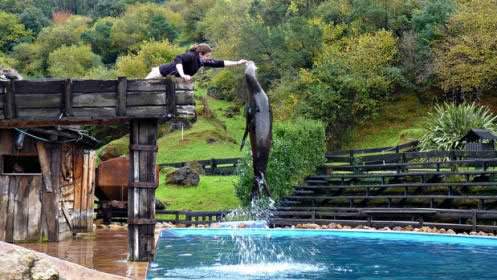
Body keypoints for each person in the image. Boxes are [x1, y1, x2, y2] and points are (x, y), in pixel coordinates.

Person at [145, 43, 247, 80]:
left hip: (168, 79)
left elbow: (219, 63)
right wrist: (183, 75)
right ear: (200, 53)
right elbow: (178, 59)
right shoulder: (191, 56)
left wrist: (237, 62)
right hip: (159, 73)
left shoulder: (202, 61)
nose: (208, 58)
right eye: (207, 56)